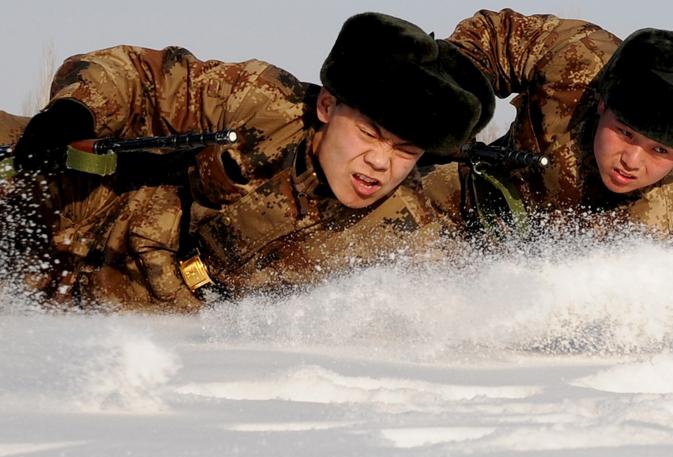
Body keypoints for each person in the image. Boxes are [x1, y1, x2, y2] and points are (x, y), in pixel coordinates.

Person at [0, 12, 495, 311]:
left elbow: (444, 314)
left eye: (405, 152)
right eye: (370, 134)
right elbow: (141, 75)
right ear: (327, 107)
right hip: (54, 209)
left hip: (105, 322)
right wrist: (75, 111)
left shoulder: (408, 237)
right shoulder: (261, 102)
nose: (380, 162)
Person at [422, 8, 673, 244]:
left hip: (541, 257)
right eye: (625, 133)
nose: (631, 161)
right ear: (602, 103)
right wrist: (447, 99)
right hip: (478, 187)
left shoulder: (664, 222)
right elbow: (494, 37)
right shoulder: (579, 60)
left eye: (660, 150)